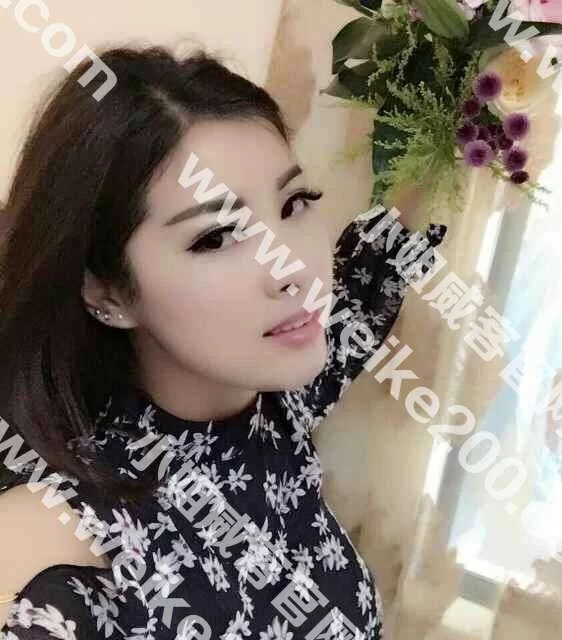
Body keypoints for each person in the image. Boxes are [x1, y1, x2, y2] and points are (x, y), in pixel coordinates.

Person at [0, 45, 447, 640]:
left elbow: (375, 272)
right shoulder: (55, 542)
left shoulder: (281, 400)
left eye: (294, 204)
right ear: (109, 291)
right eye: (215, 238)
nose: (292, 268)